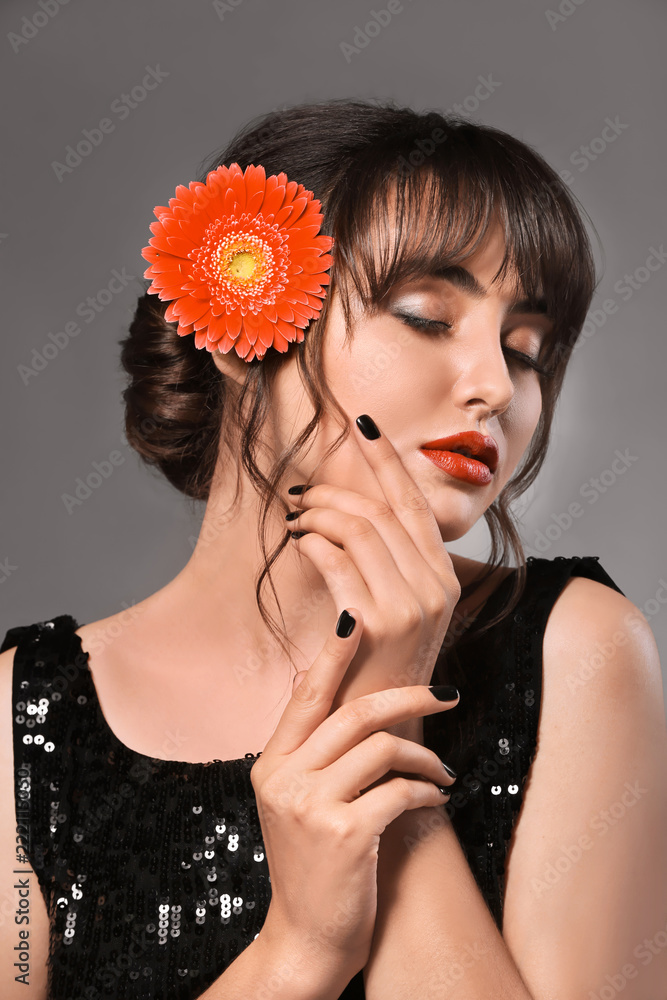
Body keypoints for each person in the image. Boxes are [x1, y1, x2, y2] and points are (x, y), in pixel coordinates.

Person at [1, 97, 665, 1000]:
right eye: (429, 317)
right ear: (241, 335)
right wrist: (302, 950)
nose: (491, 388)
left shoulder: (578, 651)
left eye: (526, 351)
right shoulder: (25, 718)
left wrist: (387, 722)